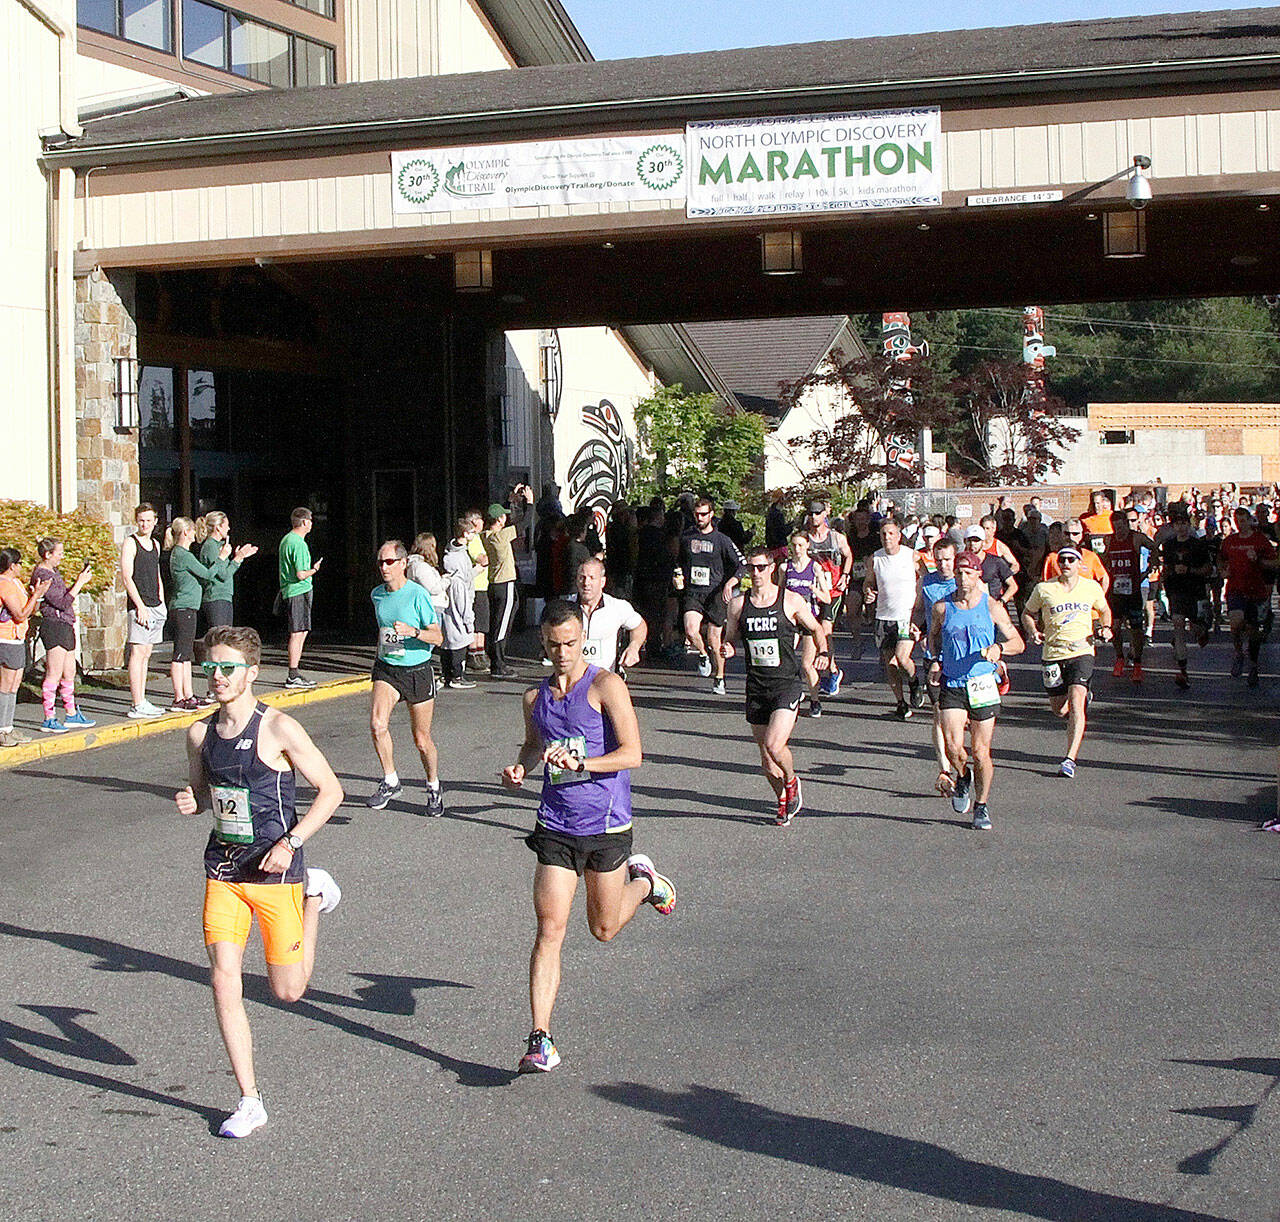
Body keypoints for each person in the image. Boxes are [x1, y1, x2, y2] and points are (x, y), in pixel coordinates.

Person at [174, 625, 343, 1139]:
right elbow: (206, 795)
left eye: (228, 668)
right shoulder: (199, 734)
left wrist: (289, 844)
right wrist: (193, 801)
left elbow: (330, 792)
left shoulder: (279, 729)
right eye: (211, 667)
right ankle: (249, 1100)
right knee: (224, 978)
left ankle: (314, 894)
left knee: (288, 992)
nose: (218, 677)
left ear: (251, 674)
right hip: (223, 870)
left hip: (276, 872)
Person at [502, 599, 674, 1074]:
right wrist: (522, 766)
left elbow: (634, 753)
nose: (563, 653)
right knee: (549, 931)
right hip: (555, 824)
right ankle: (541, 1037)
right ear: (543, 642)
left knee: (603, 929)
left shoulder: (605, 686)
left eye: (571, 644)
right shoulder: (535, 698)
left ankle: (644, 882)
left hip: (606, 824)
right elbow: (535, 743)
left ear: (583, 640)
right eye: (554, 645)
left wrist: (585, 764)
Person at [723, 545, 828, 825]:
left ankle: (792, 780)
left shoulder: (790, 600)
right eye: (751, 568)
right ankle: (783, 799)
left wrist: (824, 653)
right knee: (767, 761)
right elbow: (730, 637)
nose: (755, 573)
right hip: (757, 686)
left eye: (760, 568)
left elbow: (816, 628)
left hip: (786, 684)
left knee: (774, 744)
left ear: (771, 568)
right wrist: (727, 648)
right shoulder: (738, 604)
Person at [928, 551, 1024, 830]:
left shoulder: (991, 606)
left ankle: (981, 806)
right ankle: (962, 776)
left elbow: (1018, 643)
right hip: (954, 682)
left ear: (978, 575)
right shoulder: (942, 607)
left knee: (981, 752)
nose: (961, 577)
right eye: (958, 572)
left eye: (968, 572)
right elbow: (932, 636)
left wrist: (999, 648)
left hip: (982, 683)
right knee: (954, 747)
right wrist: (935, 661)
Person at [363, 540, 445, 815]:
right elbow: (383, 630)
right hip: (387, 668)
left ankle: (433, 786)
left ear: (403, 564)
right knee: (377, 724)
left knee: (421, 739)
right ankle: (390, 780)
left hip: (418, 670)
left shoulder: (417, 595)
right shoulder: (377, 595)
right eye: (380, 562)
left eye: (388, 562)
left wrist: (413, 632)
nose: (383, 567)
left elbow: (438, 636)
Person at [1021, 547, 1112, 777]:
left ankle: (1069, 759)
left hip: (1082, 651)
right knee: (1059, 710)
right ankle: (1077, 702)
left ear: (1079, 563)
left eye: (1071, 560)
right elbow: (1027, 613)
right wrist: (1032, 630)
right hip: (1053, 654)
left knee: (1076, 701)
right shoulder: (1044, 589)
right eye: (1062, 560)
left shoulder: (1090, 587)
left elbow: (1104, 610)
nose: (1066, 563)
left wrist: (1106, 627)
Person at [677, 497, 743, 696]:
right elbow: (678, 560)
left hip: (715, 594)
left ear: (712, 515)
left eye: (704, 514)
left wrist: (731, 583)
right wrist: (678, 575)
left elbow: (741, 564)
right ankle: (703, 654)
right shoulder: (686, 537)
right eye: (697, 514)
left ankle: (720, 677)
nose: (700, 518)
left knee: (715, 639)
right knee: (690, 629)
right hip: (694, 592)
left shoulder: (721, 540)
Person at [29, 538, 95, 733]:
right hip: (55, 625)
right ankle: (49, 717)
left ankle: (71, 713)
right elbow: (61, 602)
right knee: (54, 673)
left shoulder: (53, 572)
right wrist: (79, 583)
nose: (62, 557)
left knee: (69, 672)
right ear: (48, 555)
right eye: (59, 553)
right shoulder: (43, 575)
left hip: (66, 624)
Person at [166, 517, 231, 712]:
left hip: (188, 607)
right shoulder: (182, 555)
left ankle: (188, 694)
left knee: (186, 654)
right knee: (180, 654)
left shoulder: (183, 554)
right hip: (182, 607)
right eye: (193, 531)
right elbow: (208, 574)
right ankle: (179, 697)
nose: (195, 534)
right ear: (185, 533)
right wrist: (222, 557)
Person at [863, 519, 922, 719]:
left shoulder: (911, 555)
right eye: (883, 534)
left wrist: (921, 606)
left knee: (902, 658)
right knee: (890, 664)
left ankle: (914, 681)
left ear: (898, 535)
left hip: (906, 615)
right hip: (884, 616)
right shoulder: (875, 559)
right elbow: (869, 583)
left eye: (891, 533)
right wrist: (868, 593)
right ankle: (901, 702)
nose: (887, 537)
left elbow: (925, 578)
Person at [913, 537, 957, 795]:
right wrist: (916, 626)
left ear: (955, 558)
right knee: (939, 712)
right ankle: (944, 769)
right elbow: (919, 609)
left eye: (947, 560)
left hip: (962, 657)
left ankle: (958, 755)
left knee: (961, 718)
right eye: (938, 560)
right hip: (934, 655)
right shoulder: (927, 581)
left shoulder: (966, 582)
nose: (942, 565)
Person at [1219, 505, 1278, 687]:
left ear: (1249, 521)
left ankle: (1253, 665)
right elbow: (1221, 558)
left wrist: (1258, 560)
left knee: (1253, 632)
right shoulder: (1230, 541)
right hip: (1236, 589)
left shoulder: (1259, 540)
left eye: (1243, 520)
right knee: (1236, 623)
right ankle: (1238, 652)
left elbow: (1275, 562)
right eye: (1237, 521)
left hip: (1255, 590)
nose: (1240, 524)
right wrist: (1223, 569)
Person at [120, 503, 167, 718]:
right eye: (141, 520)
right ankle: (136, 703)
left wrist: (162, 602)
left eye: (149, 520)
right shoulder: (131, 543)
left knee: (147, 653)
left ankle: (143, 699)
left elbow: (156, 575)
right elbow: (127, 576)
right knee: (138, 652)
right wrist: (139, 606)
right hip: (140, 606)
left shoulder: (155, 544)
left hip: (155, 604)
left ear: (155, 521)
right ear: (136, 521)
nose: (145, 524)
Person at [1161, 505, 1214, 689]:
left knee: (1197, 627)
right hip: (1176, 591)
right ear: (1173, 526)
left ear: (1189, 525)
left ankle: (1202, 630)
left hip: (1195, 590)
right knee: (1177, 625)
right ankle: (1183, 670)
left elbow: (1208, 568)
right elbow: (1166, 568)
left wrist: (1190, 570)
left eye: (1184, 523)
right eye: (1177, 524)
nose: (1181, 527)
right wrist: (1166, 578)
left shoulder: (1198, 544)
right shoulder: (1168, 546)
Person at [0, 548, 49, 746]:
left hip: (17, 638)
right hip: (6, 638)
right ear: (12, 566)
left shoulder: (16, 584)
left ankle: (8, 727)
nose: (22, 567)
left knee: (14, 684)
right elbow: (20, 614)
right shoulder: (4, 586)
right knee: (6, 684)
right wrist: (36, 594)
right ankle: (2, 730)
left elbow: (30, 609)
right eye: (19, 563)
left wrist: (36, 596)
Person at [1103, 509, 1159, 683]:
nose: (1120, 531)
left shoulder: (1136, 538)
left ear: (1127, 525)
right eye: (1116, 527)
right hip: (1116, 591)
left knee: (1135, 629)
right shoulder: (1109, 540)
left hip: (1133, 590)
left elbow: (1154, 547)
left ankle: (1137, 664)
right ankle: (1119, 658)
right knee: (1116, 627)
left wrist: (1152, 565)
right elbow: (1104, 558)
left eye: (1123, 526)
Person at [805, 499, 852, 693]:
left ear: (825, 514)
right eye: (812, 513)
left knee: (825, 628)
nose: (814, 516)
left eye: (818, 513)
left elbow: (848, 555)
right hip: (812, 590)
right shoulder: (805, 538)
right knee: (812, 629)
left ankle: (830, 671)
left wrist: (845, 575)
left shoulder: (836, 537)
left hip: (832, 590)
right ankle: (829, 668)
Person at [783, 531, 832, 717]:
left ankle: (815, 700)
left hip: (809, 620)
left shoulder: (815, 568)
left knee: (806, 664)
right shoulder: (785, 568)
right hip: (790, 620)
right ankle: (793, 692)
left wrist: (814, 589)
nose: (797, 549)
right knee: (784, 660)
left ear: (807, 546)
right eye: (794, 545)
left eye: (801, 545)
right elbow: (779, 592)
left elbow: (827, 597)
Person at [571, 556, 646, 674]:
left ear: (602, 582)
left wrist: (634, 646)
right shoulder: (566, 608)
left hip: (606, 681)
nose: (586, 583)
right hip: (573, 680)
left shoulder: (617, 607)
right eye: (582, 578)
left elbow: (639, 625)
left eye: (592, 578)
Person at [278, 507, 321, 689]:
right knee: (298, 632)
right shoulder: (299, 544)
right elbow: (301, 574)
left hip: (290, 590)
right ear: (304, 522)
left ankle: (294, 673)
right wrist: (315, 569)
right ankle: (293, 674)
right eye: (310, 520)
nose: (311, 524)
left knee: (300, 631)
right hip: (299, 591)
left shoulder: (286, 540)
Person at [197, 511, 257, 632]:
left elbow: (224, 570)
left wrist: (239, 557)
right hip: (216, 596)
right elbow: (223, 575)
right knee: (220, 636)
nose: (229, 528)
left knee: (225, 635)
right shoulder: (210, 546)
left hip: (224, 595)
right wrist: (237, 559)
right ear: (218, 527)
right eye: (226, 525)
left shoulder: (218, 545)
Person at [483, 500, 521, 678]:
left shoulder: (485, 536)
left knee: (496, 622)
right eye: (504, 515)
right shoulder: (501, 536)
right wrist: (528, 503)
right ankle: (498, 663)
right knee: (502, 625)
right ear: (499, 519)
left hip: (493, 584)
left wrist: (512, 499)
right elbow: (523, 522)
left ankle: (496, 659)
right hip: (505, 583)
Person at [440, 520, 477, 690]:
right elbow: (463, 604)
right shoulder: (459, 563)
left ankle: (447, 674)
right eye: (470, 532)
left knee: (448, 641)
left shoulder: (450, 553)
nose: (473, 535)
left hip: (448, 608)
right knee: (459, 642)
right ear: (464, 534)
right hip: (460, 602)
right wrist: (470, 622)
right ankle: (456, 676)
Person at [844, 505, 879, 663]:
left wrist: (870, 560)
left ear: (868, 520)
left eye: (863, 519)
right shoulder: (850, 537)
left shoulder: (875, 537)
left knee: (873, 613)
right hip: (856, 579)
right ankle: (857, 641)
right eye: (857, 519)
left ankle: (880, 643)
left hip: (873, 579)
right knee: (852, 608)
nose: (860, 522)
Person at [466, 509, 490, 672]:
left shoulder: (478, 538)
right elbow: (481, 558)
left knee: (482, 622)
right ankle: (473, 653)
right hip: (476, 586)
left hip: (482, 585)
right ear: (475, 522)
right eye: (481, 520)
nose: (483, 522)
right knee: (476, 622)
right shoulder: (473, 539)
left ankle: (480, 651)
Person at [407, 532, 448, 620]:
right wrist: (447, 580)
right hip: (431, 607)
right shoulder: (420, 566)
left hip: (429, 607)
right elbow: (433, 588)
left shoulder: (416, 564)